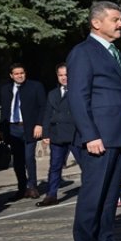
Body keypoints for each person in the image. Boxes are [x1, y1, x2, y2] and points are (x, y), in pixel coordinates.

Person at [66, 1, 121, 241]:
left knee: (110, 195)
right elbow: (77, 96)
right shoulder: (83, 53)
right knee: (93, 195)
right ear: (97, 23)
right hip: (99, 138)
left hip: (119, 135)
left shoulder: (114, 52)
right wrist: (90, 135)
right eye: (116, 19)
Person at [0, 63, 47, 202]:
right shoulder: (6, 89)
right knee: (18, 161)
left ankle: (32, 186)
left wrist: (39, 124)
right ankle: (22, 187)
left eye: (22, 73)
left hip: (29, 127)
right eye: (16, 74)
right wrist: (2, 130)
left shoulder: (35, 86)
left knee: (29, 158)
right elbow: (4, 110)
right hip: (12, 128)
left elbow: (43, 106)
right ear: (11, 75)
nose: (19, 76)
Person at [39, 63, 77, 206]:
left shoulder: (78, 91)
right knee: (55, 166)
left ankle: (92, 193)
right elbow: (47, 114)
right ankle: (51, 195)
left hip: (75, 134)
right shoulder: (53, 93)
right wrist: (45, 133)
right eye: (60, 75)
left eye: (66, 75)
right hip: (57, 135)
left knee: (86, 165)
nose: (64, 78)